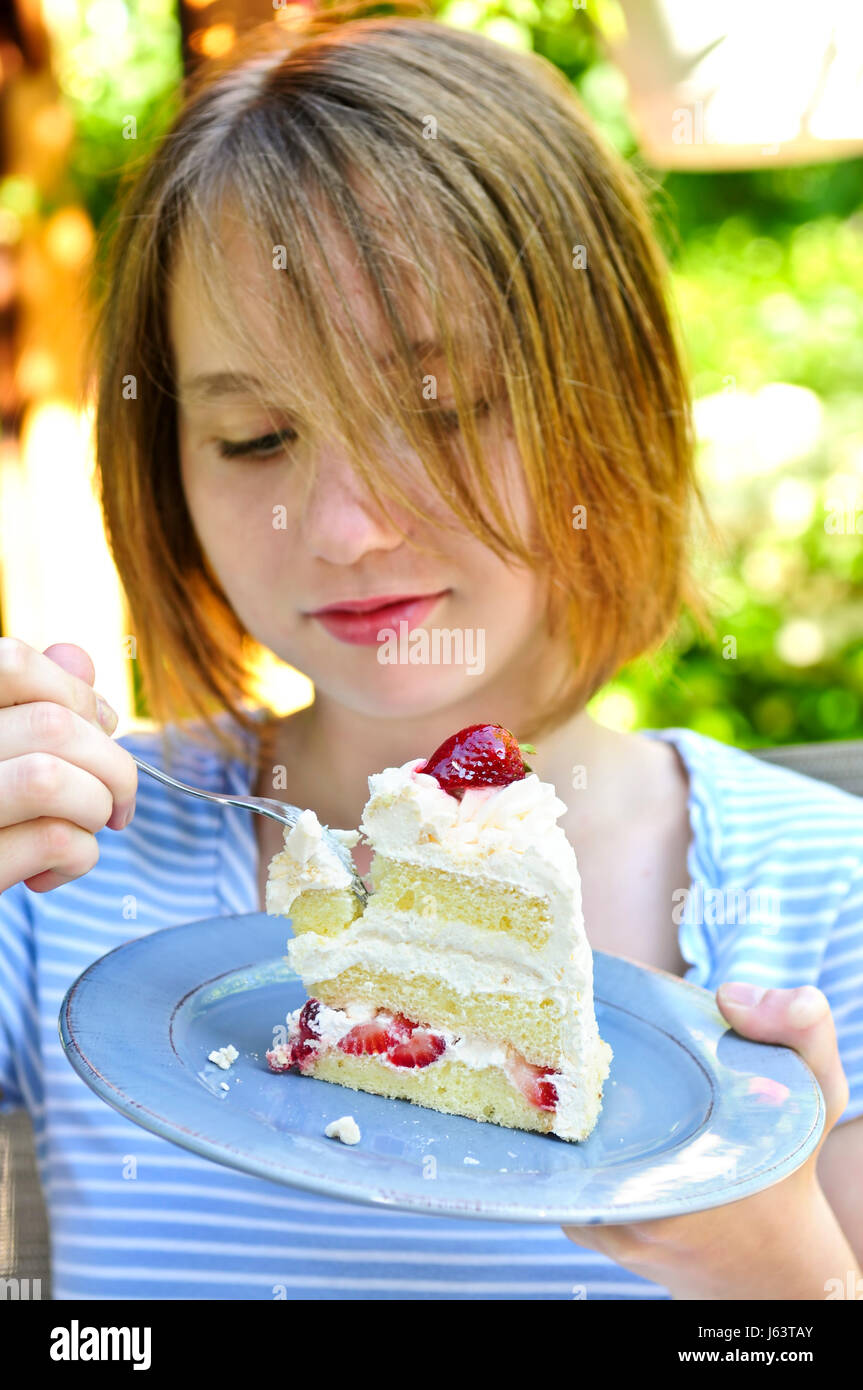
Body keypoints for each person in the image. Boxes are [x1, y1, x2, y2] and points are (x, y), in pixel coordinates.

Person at [1, 6, 861, 1301]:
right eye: (256, 439)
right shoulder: (64, 875)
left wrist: (766, 1266)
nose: (347, 528)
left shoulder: (830, 900)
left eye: (442, 411)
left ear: (610, 394)